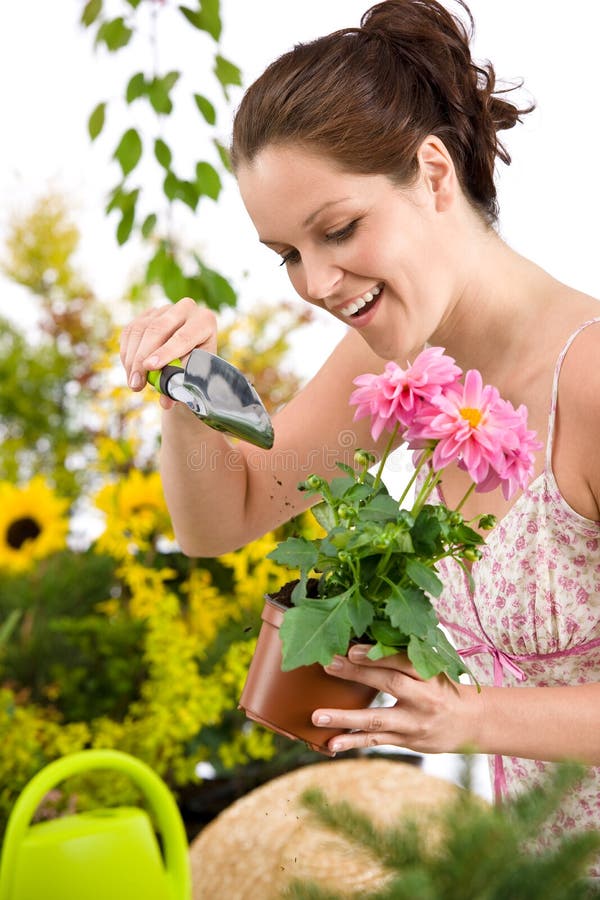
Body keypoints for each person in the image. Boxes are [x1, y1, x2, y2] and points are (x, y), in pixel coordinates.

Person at [120, 0, 600, 869]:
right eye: (288, 253)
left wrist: (469, 717)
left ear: (433, 173)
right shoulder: (397, 367)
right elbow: (216, 522)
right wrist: (181, 394)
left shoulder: (591, 382)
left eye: (338, 230)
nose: (317, 280)